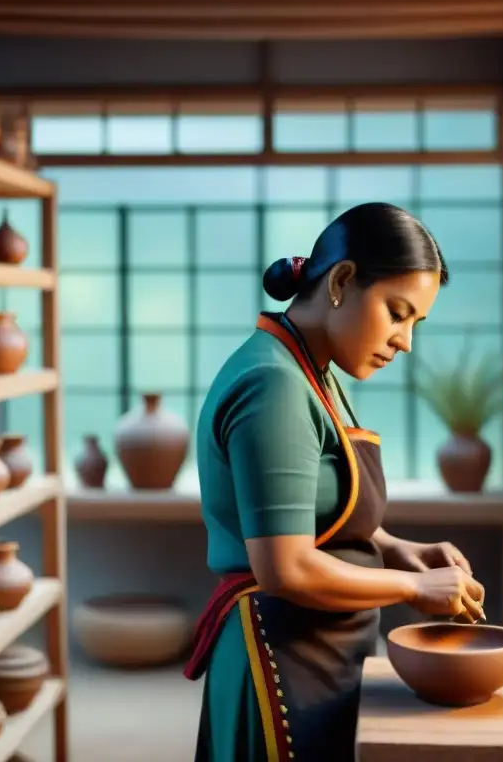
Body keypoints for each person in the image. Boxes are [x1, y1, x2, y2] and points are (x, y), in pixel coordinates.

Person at [184, 202, 487, 762]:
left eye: (415, 323)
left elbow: (318, 512)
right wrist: (415, 589)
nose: (405, 342)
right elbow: (287, 566)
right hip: (279, 656)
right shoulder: (272, 384)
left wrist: (399, 551)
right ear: (343, 281)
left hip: (318, 648)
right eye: (397, 313)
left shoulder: (309, 368)